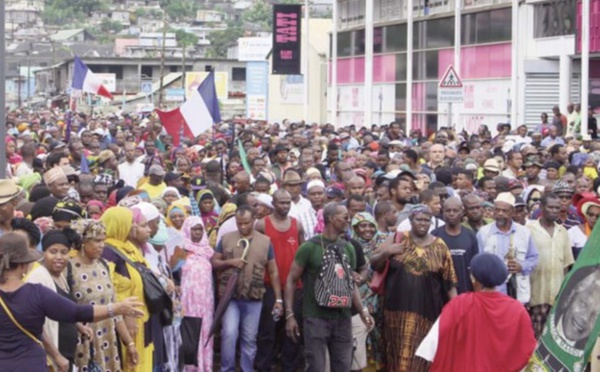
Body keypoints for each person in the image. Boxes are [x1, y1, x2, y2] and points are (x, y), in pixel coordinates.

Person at [0, 232, 143, 370]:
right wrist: (116, 308)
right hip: (31, 365)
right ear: (24, 265)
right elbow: (77, 312)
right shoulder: (36, 293)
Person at [284, 203, 374, 372]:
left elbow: (350, 284)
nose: (349, 221)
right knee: (316, 366)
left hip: (342, 317)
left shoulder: (348, 248)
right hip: (315, 317)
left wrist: (362, 311)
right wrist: (289, 315)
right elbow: (291, 280)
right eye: (345, 217)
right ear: (332, 219)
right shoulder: (309, 247)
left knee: (342, 365)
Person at [370, 205, 457, 371]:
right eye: (419, 219)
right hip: (396, 313)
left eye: (427, 220)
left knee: (422, 359)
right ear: (410, 220)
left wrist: (457, 309)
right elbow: (375, 264)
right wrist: (387, 252)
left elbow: (449, 282)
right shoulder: (398, 238)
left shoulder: (440, 246)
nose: (423, 223)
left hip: (427, 315)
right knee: (395, 358)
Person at [415, 253, 537, 372]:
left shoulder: (459, 305)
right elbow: (528, 351)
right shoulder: (517, 309)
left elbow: (432, 344)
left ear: (473, 278)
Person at [211, 205, 283, 372]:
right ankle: (227, 369)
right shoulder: (227, 238)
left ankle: (247, 369)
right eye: (239, 223)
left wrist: (278, 299)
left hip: (254, 298)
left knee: (249, 338)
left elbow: (273, 271)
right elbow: (214, 262)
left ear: (254, 220)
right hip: (231, 297)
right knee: (229, 334)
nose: (242, 226)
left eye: (246, 223)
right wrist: (230, 262)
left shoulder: (265, 242)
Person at [69, 219, 138, 371]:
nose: (102, 245)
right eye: (96, 240)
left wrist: (129, 343)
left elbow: (115, 311)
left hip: (108, 341)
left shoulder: (103, 265)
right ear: (83, 241)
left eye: (103, 241)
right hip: (84, 342)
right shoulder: (69, 269)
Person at [255, 189, 304, 371]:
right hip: (269, 286)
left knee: (291, 331)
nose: (285, 206)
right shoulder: (261, 225)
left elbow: (302, 253)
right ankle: (263, 366)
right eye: (281, 202)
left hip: (295, 287)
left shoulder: (296, 225)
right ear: (273, 204)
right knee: (267, 330)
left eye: (288, 202)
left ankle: (289, 367)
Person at [101, 207, 154, 371]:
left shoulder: (128, 249)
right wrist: (125, 316)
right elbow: (111, 290)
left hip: (141, 317)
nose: (133, 226)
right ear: (119, 224)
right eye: (129, 222)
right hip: (124, 322)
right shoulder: (107, 253)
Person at [477, 192, 539, 304]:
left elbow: (534, 258)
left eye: (504, 211)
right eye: (497, 210)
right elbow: (478, 263)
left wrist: (521, 266)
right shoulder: (484, 233)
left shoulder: (524, 233)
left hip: (517, 295)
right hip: (492, 295)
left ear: (512, 212)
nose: (500, 213)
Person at [526, 193, 574, 338]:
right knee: (535, 337)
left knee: (553, 338)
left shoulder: (563, 232)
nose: (554, 211)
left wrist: (565, 295)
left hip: (557, 296)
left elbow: (566, 265)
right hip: (536, 295)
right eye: (550, 207)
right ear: (541, 207)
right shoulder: (529, 229)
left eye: (557, 208)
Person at [350, 212, 386, 370]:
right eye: (362, 226)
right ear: (355, 228)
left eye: (371, 225)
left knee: (381, 336)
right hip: (358, 298)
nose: (368, 229)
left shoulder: (384, 242)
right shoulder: (349, 245)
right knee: (361, 336)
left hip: (381, 298)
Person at [180, 216, 214, 372]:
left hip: (205, 302)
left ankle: (204, 366)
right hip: (188, 301)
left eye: (200, 229)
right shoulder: (181, 249)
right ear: (187, 230)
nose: (198, 232)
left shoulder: (207, 251)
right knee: (190, 330)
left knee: (205, 330)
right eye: (194, 229)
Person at [432, 197, 479, 294]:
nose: (451, 214)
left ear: (462, 212)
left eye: (455, 210)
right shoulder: (435, 235)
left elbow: (475, 267)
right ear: (443, 212)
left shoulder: (470, 235)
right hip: (440, 292)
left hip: (465, 290)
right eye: (448, 210)